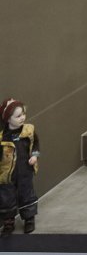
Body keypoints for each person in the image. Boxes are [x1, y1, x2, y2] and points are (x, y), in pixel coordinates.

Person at [0, 99, 39, 237]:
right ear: (8, 120)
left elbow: (35, 145)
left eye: (23, 113)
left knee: (27, 194)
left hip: (25, 170)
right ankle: (8, 222)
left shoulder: (28, 131)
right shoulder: (3, 137)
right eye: (18, 116)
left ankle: (29, 218)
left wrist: (34, 156)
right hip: (7, 174)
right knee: (6, 197)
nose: (22, 117)